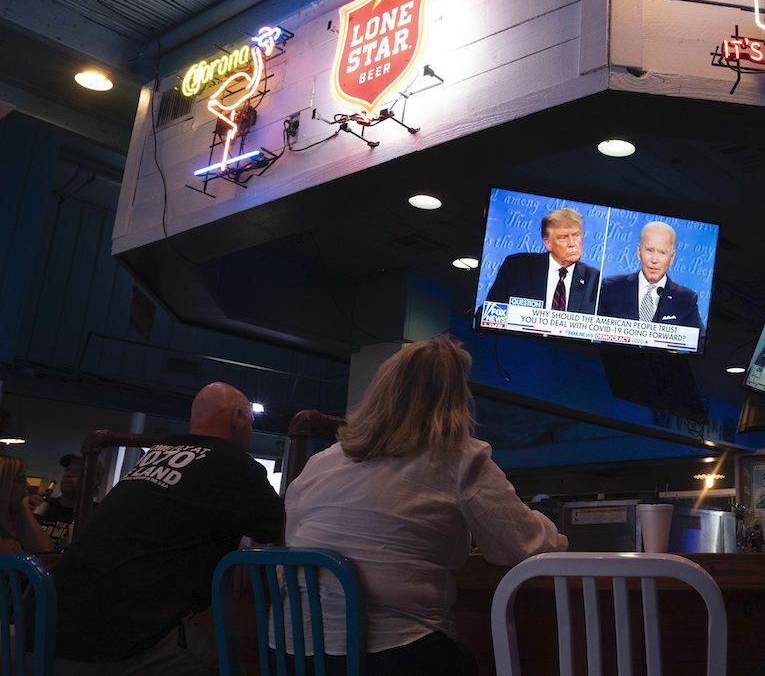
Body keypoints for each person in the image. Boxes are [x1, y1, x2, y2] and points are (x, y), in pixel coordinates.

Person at [284, 336, 567, 676]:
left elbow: (290, 543)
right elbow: (523, 546)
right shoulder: (460, 458)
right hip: (392, 656)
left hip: (292, 653)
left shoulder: (320, 462)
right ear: (456, 399)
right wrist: (558, 534)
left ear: (380, 391)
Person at [53, 382, 284, 676]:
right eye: (251, 422)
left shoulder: (153, 455)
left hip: (47, 630)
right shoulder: (233, 462)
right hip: (121, 642)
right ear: (238, 417)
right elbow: (282, 529)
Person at [484, 208, 600, 314]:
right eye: (563, 237)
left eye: (576, 235)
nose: (572, 244)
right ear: (548, 243)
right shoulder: (517, 267)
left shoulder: (593, 278)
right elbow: (488, 313)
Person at [596, 222, 704, 332]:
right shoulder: (611, 287)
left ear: (671, 258)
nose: (654, 260)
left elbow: (699, 343)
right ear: (639, 252)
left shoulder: (685, 300)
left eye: (662, 253)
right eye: (649, 250)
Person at [36, 453, 91, 549]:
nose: (68, 474)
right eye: (67, 470)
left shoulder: (95, 514)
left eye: (77, 472)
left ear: (94, 480)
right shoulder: (44, 505)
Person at [0, 456, 52, 555]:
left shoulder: (14, 516)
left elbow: (46, 553)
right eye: (21, 481)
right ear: (4, 483)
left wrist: (24, 508)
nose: (26, 487)